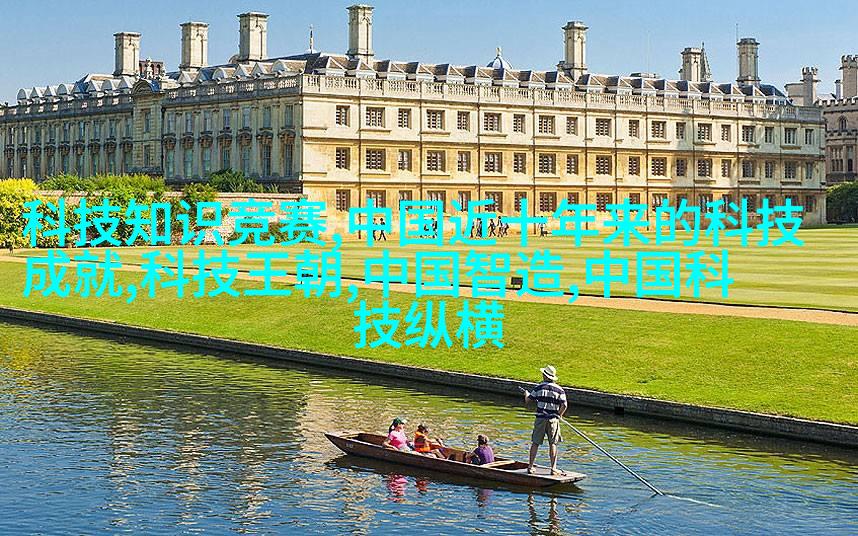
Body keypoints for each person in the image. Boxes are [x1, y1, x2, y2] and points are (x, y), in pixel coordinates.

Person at [524, 365, 567, 475]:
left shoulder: (539, 387)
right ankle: (553, 468)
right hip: (553, 420)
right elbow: (564, 405)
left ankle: (530, 467)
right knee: (553, 444)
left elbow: (528, 400)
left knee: (535, 442)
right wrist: (559, 415)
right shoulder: (560, 390)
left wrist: (526, 394)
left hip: (540, 419)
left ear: (545, 376)